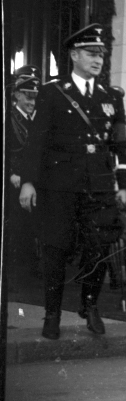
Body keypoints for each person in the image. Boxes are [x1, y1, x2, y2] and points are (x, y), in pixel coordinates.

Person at [20, 24, 126, 340]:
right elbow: (36, 141)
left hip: (98, 185)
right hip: (59, 185)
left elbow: (120, 144)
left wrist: (122, 183)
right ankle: (52, 315)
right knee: (56, 249)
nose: (98, 59)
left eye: (101, 54)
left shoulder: (112, 96)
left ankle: (90, 306)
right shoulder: (52, 92)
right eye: (91, 53)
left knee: (99, 248)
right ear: (74, 54)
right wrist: (29, 181)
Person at [5, 73, 42, 284]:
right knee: (18, 227)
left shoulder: (37, 119)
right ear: (17, 95)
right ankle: (17, 273)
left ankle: (30, 267)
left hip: (32, 181)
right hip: (14, 182)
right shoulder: (8, 118)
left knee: (33, 225)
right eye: (28, 97)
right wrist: (10, 174)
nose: (31, 102)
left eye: (35, 97)